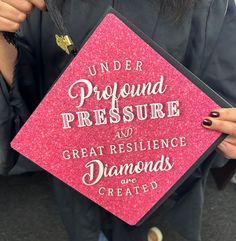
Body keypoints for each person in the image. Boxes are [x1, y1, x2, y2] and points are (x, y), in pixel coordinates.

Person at [0, 0, 236, 241]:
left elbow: (222, 94)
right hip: (80, 165)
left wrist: (225, 127)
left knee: (145, 222)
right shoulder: (37, 5)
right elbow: (25, 108)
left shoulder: (213, 6)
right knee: (87, 224)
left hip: (158, 170)